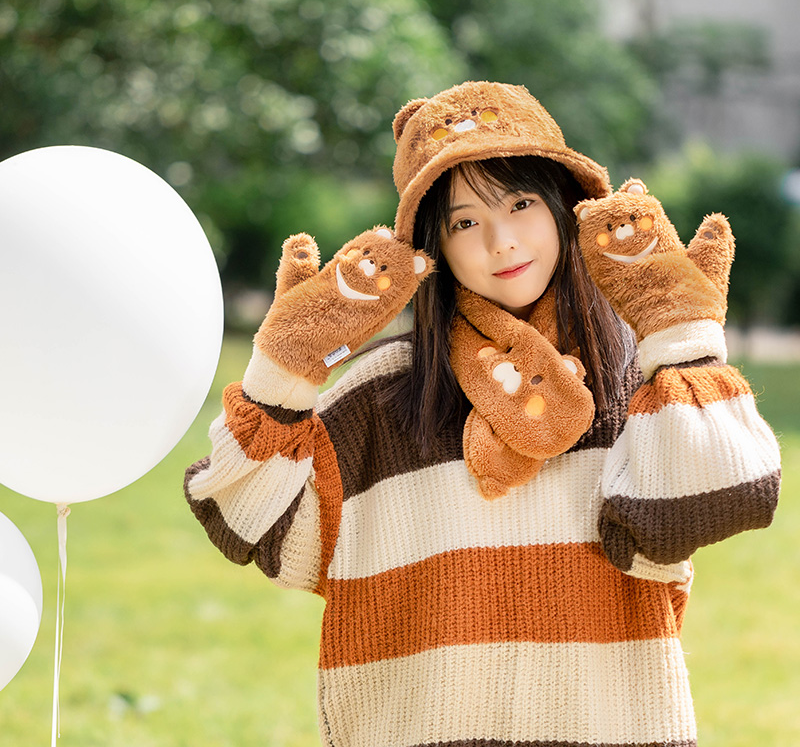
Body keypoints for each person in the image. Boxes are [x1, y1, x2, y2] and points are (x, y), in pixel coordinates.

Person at [184, 81, 781, 747]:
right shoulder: (383, 397)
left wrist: (680, 334)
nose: (500, 240)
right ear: (433, 247)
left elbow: (724, 494)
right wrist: (282, 366)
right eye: (465, 221)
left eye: (521, 202)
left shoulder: (638, 386)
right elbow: (250, 523)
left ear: (566, 209)